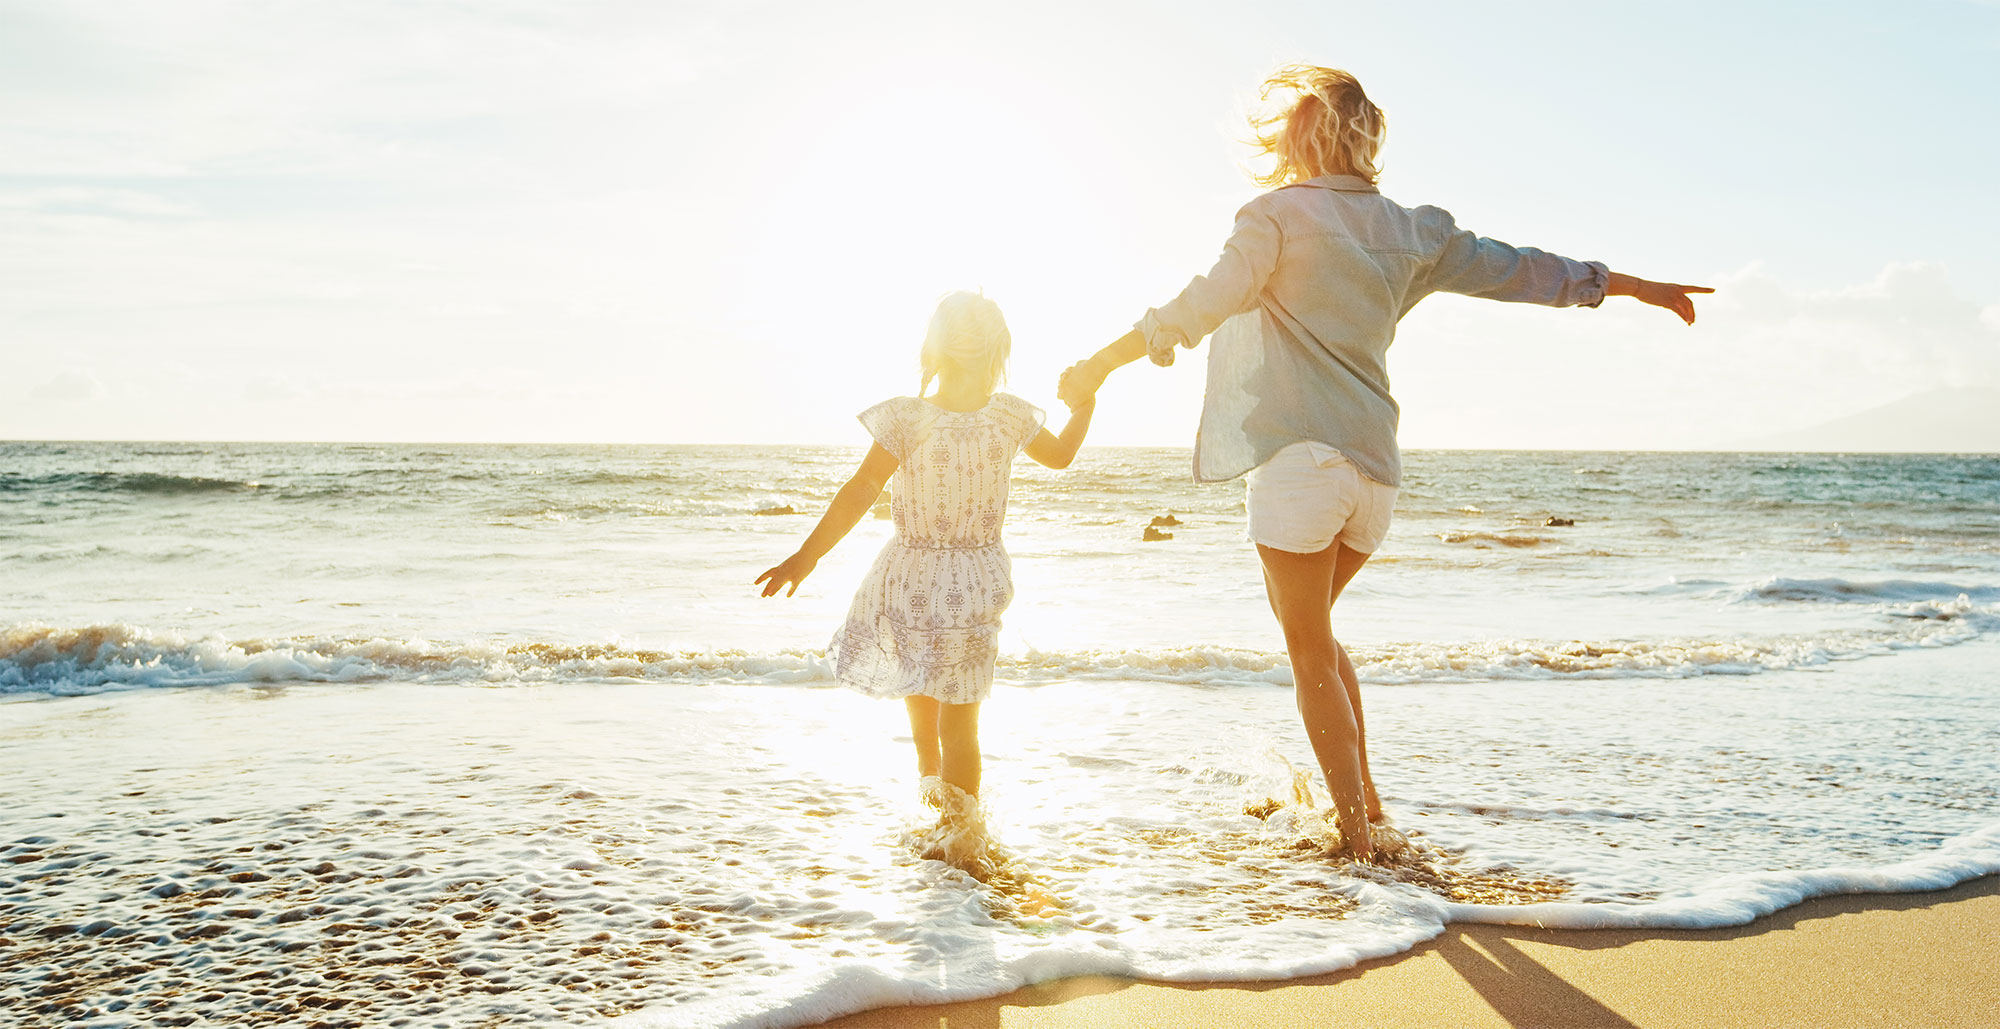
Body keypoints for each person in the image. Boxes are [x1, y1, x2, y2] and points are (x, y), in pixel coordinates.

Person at [1057, 65, 1711, 861]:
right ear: (1367, 138)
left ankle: (1357, 840)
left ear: (1299, 138)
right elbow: (1522, 268)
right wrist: (1633, 287)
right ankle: (1367, 803)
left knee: (1306, 649)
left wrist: (1103, 361)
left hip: (1300, 467)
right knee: (1321, 640)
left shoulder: (1275, 217)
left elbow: (1202, 301)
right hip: (1375, 478)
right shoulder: (1414, 231)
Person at [758, 291, 1095, 802]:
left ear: (935, 349)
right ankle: (962, 836)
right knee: (962, 727)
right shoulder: (1008, 416)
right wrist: (1085, 404)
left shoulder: (907, 417)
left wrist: (808, 556)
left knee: (924, 723)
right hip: (977, 583)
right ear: (997, 352)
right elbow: (1063, 455)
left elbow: (861, 490)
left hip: (912, 581)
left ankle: (935, 816)